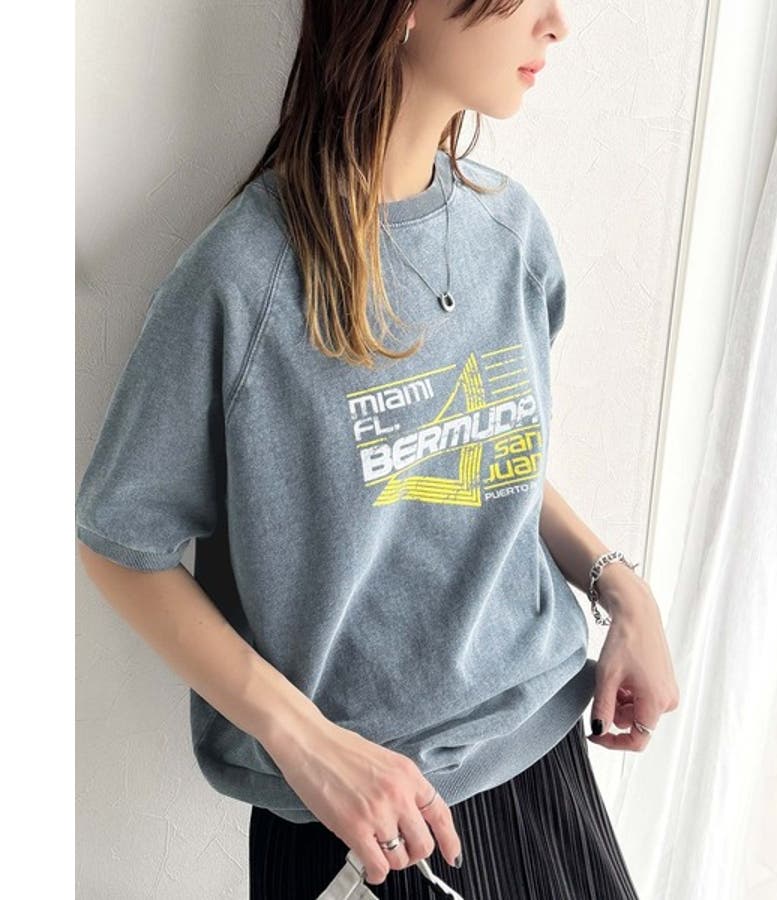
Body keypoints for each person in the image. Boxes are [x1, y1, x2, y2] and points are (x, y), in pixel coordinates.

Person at [76, 1, 679, 897]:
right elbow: (120, 543)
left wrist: (619, 588)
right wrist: (306, 741)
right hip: (371, 827)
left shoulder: (512, 236)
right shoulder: (245, 280)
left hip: (546, 758)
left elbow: (471, 453)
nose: (558, 22)